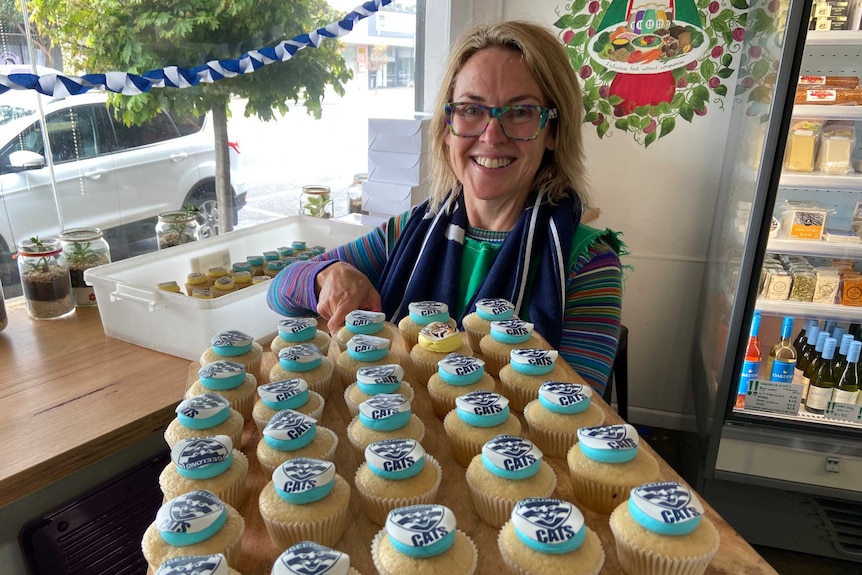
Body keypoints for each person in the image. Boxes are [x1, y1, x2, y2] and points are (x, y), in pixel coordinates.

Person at [268, 20, 625, 395]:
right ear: (446, 126)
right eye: (471, 110)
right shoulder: (409, 230)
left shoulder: (588, 265)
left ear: (553, 130)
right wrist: (328, 275)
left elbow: (577, 417)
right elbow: (280, 293)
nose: (491, 135)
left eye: (520, 112)